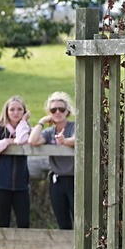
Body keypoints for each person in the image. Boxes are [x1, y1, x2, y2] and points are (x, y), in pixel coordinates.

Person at [28, 91, 77, 230]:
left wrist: (65, 141)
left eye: (61, 109)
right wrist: (42, 122)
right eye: (53, 110)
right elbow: (32, 141)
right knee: (62, 221)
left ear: (67, 111)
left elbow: (78, 139)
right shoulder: (49, 132)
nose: (57, 112)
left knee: (79, 219)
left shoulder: (74, 127)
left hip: (75, 180)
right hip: (57, 180)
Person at [0, 96, 32, 228]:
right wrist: (4, 142)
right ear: (7, 111)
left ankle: (24, 248)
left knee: (24, 222)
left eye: (20, 109)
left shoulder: (25, 129)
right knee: (3, 221)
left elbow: (21, 140)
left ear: (24, 112)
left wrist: (23, 122)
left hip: (21, 184)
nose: (16, 113)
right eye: (12, 109)